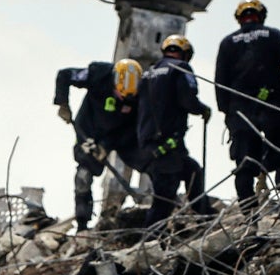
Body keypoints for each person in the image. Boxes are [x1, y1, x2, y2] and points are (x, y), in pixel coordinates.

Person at [215, 0, 280, 207]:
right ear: (261, 16)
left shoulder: (227, 43)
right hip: (273, 107)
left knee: (245, 165)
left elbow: (220, 82)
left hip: (241, 112)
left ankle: (250, 216)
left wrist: (227, 113)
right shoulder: (273, 36)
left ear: (240, 19)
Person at [53, 58, 146, 231]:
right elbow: (64, 75)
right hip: (88, 129)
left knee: (149, 163)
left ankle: (154, 208)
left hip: (120, 134)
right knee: (83, 175)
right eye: (120, 94)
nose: (123, 98)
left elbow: (131, 127)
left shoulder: (142, 95)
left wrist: (106, 145)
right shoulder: (98, 74)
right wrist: (62, 103)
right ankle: (83, 222)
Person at [137, 35, 214, 227]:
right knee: (164, 200)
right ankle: (150, 241)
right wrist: (202, 109)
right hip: (166, 146)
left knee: (192, 170)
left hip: (150, 146)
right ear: (186, 54)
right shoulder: (181, 68)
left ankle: (205, 216)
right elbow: (188, 100)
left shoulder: (148, 74)